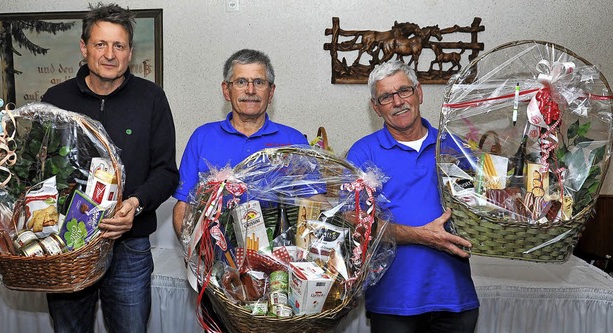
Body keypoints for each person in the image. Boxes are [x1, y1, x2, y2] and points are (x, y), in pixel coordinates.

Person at [41, 3, 179, 332]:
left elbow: (165, 172)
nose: (109, 54)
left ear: (130, 52)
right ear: (84, 47)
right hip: (67, 244)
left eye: (118, 45)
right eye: (100, 44)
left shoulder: (152, 98)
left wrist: (136, 203)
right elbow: (37, 172)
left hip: (129, 245)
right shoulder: (55, 100)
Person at [346, 60, 479, 333]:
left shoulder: (453, 146)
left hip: (455, 298)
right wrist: (420, 235)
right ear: (376, 106)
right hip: (393, 302)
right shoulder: (363, 153)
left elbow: (485, 201)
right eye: (386, 97)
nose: (397, 102)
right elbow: (352, 220)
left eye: (404, 91)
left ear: (419, 92)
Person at [172, 48, 312, 237]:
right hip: (214, 259)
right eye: (241, 82)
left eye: (259, 82)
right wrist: (196, 255)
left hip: (278, 259)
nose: (250, 90)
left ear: (271, 92)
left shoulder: (294, 141)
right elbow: (184, 205)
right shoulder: (202, 137)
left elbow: (314, 204)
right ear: (226, 90)